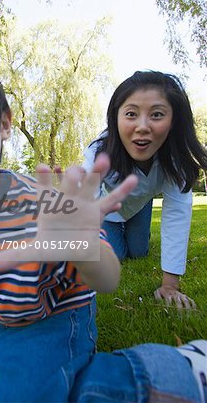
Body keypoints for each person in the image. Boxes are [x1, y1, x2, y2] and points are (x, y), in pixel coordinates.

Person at [0, 40, 206, 403]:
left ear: (4, 123)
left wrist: (77, 242)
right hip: (0, 320)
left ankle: (178, 368)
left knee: (30, 395)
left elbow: (108, 278)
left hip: (56, 316)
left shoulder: (42, 203)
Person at [83, 71, 207, 309]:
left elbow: (177, 213)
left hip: (141, 206)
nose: (142, 127)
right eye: (131, 114)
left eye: (157, 115)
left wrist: (170, 284)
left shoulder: (176, 159)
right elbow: (83, 198)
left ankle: (136, 235)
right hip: (108, 211)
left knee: (139, 252)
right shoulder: (100, 151)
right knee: (115, 255)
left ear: (174, 121)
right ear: (115, 117)